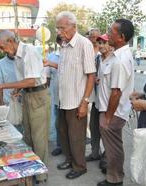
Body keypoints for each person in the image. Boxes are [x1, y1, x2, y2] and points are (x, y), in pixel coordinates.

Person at [0, 30, 50, 184]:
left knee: (38, 137)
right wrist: (17, 89)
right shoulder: (16, 57)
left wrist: (1, 85)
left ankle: (41, 175)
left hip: (38, 95)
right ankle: (31, 169)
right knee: (27, 136)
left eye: (2, 47)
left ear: (11, 41)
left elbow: (32, 80)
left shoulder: (30, 52)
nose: (2, 51)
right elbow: (24, 80)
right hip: (27, 95)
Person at [55, 11, 96, 179]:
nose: (59, 32)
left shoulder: (84, 44)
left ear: (74, 26)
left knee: (76, 136)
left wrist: (85, 102)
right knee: (63, 132)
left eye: (62, 28)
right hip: (63, 100)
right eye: (57, 28)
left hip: (77, 101)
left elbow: (91, 75)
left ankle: (79, 166)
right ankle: (70, 159)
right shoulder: (64, 45)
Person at [97, 19, 135, 186]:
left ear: (121, 36)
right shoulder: (117, 55)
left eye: (111, 31)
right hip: (112, 111)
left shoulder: (120, 59)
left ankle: (115, 180)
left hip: (113, 112)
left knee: (113, 148)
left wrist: (107, 117)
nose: (108, 34)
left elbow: (116, 92)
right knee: (113, 146)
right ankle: (115, 173)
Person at [95, 33, 114, 172]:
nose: (101, 46)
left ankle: (110, 163)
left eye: (104, 43)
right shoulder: (99, 59)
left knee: (110, 135)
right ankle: (104, 157)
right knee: (102, 132)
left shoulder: (115, 60)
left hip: (110, 104)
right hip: (99, 102)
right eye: (99, 43)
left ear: (110, 45)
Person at [85, 28, 103, 163]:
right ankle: (94, 152)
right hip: (91, 94)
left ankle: (105, 155)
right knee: (93, 126)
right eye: (92, 37)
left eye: (98, 37)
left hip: (103, 95)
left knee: (105, 128)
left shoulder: (105, 51)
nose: (95, 40)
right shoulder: (86, 51)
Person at [47, 35, 62, 156]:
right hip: (54, 93)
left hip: (70, 94)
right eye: (62, 40)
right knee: (57, 120)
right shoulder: (51, 57)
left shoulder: (73, 54)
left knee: (69, 122)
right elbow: (47, 76)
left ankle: (68, 146)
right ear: (58, 42)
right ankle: (59, 145)